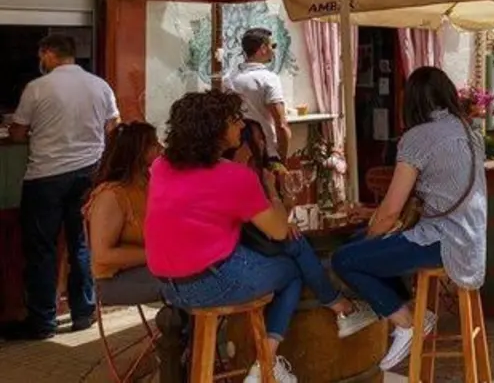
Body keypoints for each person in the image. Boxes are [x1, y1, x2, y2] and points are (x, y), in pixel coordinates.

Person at [147, 91, 375, 383]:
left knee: (291, 250)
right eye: (234, 120)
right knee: (293, 268)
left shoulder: (161, 167)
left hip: (167, 286)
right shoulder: (234, 177)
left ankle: (338, 309)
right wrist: (268, 188)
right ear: (214, 131)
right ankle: (272, 358)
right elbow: (279, 230)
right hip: (212, 282)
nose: (241, 125)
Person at [332, 66, 487, 372]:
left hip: (442, 241)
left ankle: (405, 321)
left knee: (344, 258)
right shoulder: (469, 132)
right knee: (361, 246)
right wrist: (372, 225)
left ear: (412, 100)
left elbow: (390, 212)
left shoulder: (417, 137)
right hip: (471, 238)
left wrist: (371, 235)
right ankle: (402, 309)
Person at [4, 33, 119, 340]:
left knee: (41, 249)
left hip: (46, 177)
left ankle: (43, 321)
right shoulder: (100, 85)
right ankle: (83, 313)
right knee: (81, 243)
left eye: (41, 56)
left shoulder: (37, 88)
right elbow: (113, 125)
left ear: (47, 54)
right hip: (88, 175)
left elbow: (17, 134)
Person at [84, 122, 164, 307]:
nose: (161, 148)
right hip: (115, 280)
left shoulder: (146, 184)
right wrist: (158, 254)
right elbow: (103, 255)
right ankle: (178, 329)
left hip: (148, 267)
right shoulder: (111, 196)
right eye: (154, 144)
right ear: (138, 152)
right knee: (188, 284)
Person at [225, 28, 291, 161]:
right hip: (264, 151)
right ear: (263, 48)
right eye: (272, 46)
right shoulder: (269, 79)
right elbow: (281, 124)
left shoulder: (228, 79)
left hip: (235, 151)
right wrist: (282, 157)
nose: (273, 50)